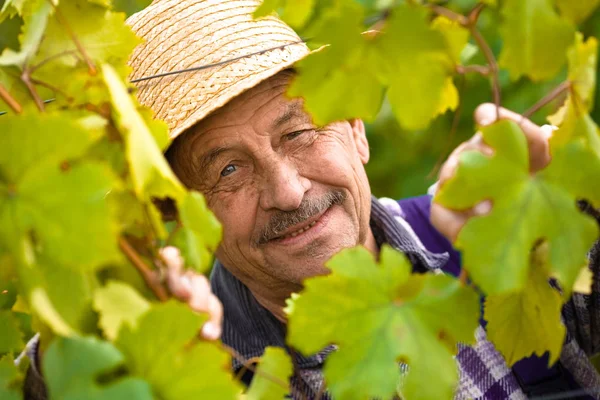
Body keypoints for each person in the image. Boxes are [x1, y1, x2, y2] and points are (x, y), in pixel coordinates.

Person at [23, 0, 600, 399]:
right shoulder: (184, 368)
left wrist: (580, 195)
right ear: (179, 211)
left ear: (356, 129)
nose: (288, 191)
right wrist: (92, 332)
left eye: (298, 133)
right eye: (228, 169)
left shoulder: (508, 244)